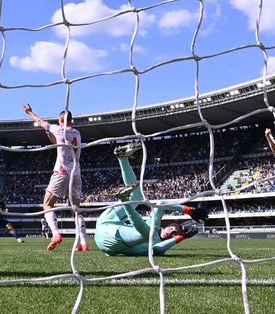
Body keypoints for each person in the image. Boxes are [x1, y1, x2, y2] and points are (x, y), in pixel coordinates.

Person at [94, 143, 207, 256]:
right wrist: (189, 210)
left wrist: (181, 237)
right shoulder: (154, 224)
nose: (171, 231)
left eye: (174, 233)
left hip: (108, 241)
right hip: (106, 222)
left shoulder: (158, 243)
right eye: (173, 228)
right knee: (137, 197)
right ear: (168, 225)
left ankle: (125, 200)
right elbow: (162, 204)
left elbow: (157, 250)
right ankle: (122, 158)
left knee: (149, 232)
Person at [22, 103, 88, 251]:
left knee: (47, 204)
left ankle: (56, 234)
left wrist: (30, 112)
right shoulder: (77, 133)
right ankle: (83, 243)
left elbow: (41, 122)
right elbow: (61, 143)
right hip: (76, 173)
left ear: (61, 120)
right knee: (76, 210)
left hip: (62, 172)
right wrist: (51, 136)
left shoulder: (59, 129)